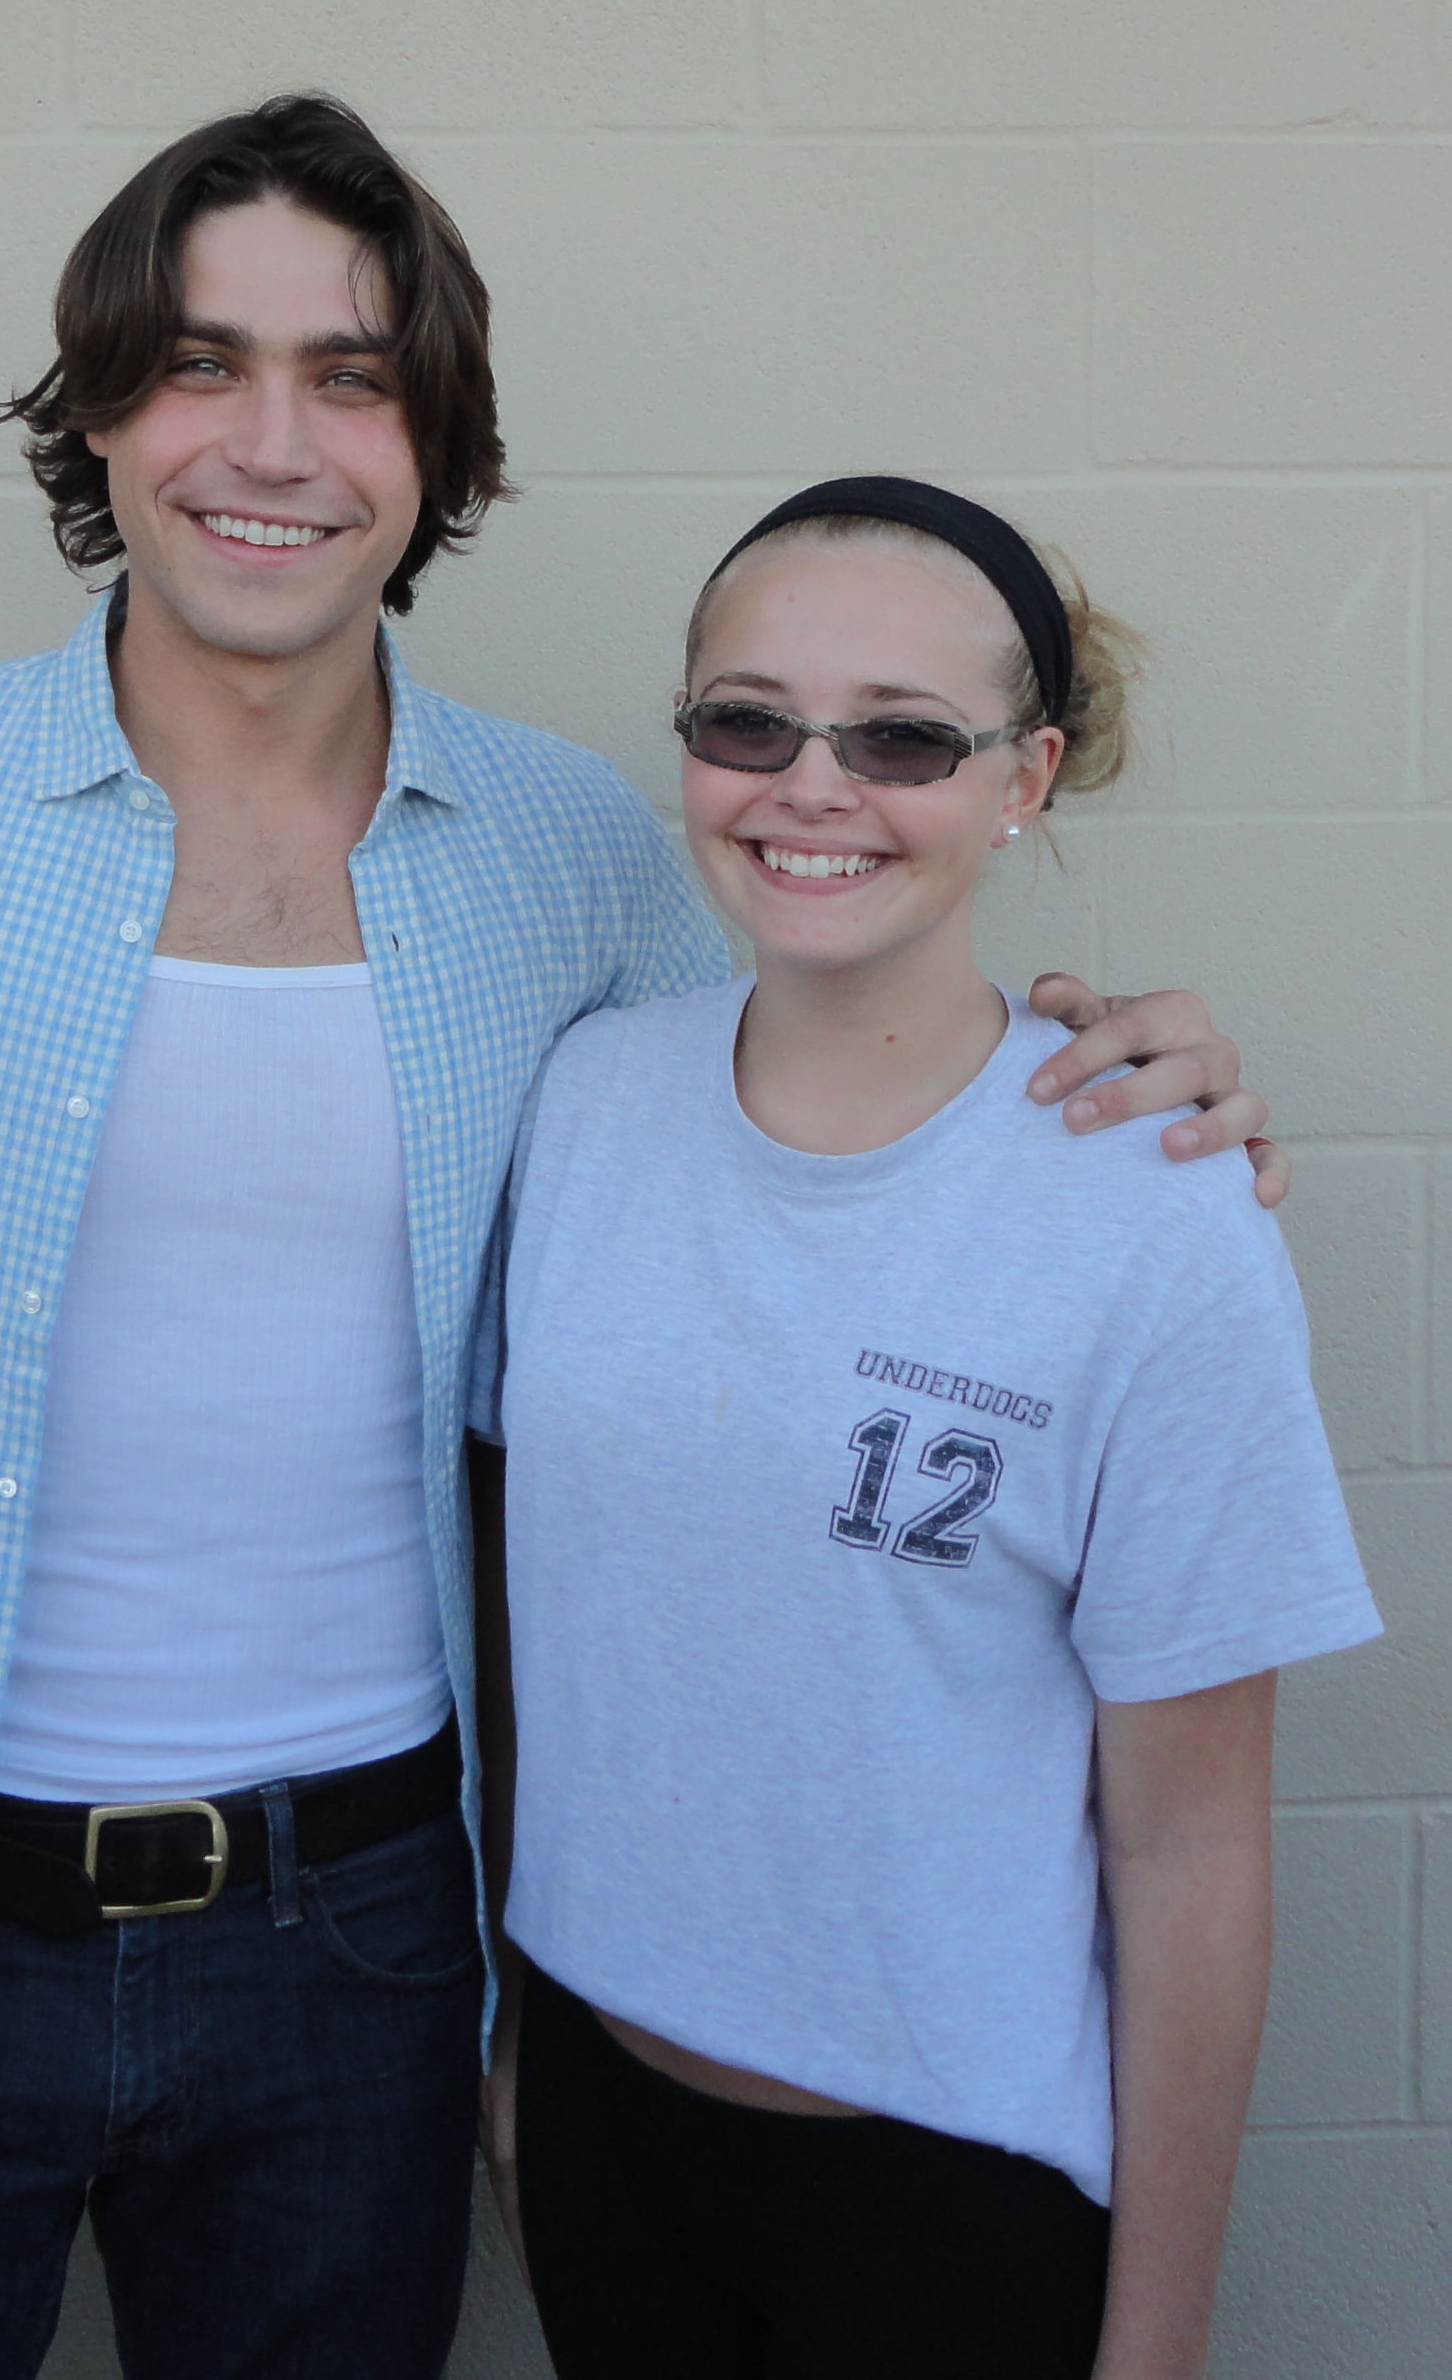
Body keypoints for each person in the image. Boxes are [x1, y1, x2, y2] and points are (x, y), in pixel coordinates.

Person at [0, 103, 1278, 2380]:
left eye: (351, 375)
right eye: (198, 361)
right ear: (97, 409)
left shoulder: (576, 857)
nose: (272, 442)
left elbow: (840, 1081)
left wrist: (1138, 1075)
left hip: (359, 1956)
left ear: (435, 445)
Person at [471, 477, 1380, 2380]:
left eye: (901, 736)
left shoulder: (1154, 1211)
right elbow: (526, 1606)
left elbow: (1193, 1847)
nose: (814, 785)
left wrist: (1157, 2341)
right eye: (747, 721)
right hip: (601, 2126)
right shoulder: (584, 1106)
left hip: (945, 2194)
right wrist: (513, 2045)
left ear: (1023, 773)